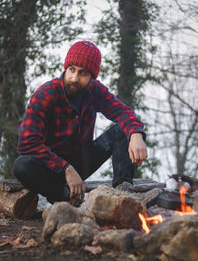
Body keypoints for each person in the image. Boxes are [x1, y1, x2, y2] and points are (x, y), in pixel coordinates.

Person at [13, 40, 148, 206]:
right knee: (22, 165)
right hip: (50, 167)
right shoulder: (46, 94)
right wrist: (66, 168)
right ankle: (63, 196)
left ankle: (123, 191)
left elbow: (122, 112)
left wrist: (136, 134)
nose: (74, 78)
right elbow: (27, 143)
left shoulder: (95, 91)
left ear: (92, 76)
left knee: (124, 130)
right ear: (66, 68)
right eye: (71, 70)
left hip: (82, 162)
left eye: (82, 73)